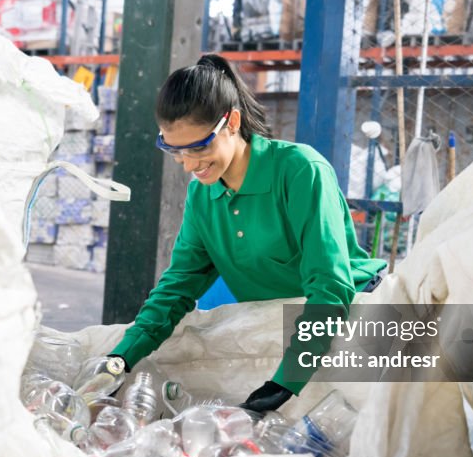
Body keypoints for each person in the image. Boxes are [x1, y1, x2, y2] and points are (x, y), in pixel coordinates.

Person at [109, 54, 388, 413]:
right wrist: (121, 357)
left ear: (232, 123)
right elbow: (177, 287)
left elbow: (329, 287)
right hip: (278, 325)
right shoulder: (203, 194)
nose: (190, 165)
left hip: (350, 316)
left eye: (199, 147)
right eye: (174, 150)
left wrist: (287, 379)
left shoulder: (300, 170)